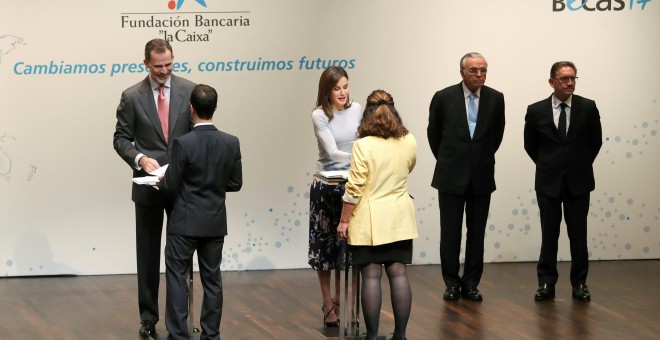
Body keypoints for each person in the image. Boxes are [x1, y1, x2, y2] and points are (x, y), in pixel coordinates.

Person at [113, 38, 196, 337]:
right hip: (147, 187)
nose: (164, 71)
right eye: (158, 66)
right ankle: (148, 318)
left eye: (169, 65)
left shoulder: (190, 90)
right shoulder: (131, 96)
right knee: (147, 255)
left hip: (181, 187)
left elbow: (197, 135)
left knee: (180, 255)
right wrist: (140, 158)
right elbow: (120, 138)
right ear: (146, 63)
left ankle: (180, 319)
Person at [159, 84, 243, 339]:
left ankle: (179, 335)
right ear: (215, 108)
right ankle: (210, 335)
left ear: (191, 109)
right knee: (212, 281)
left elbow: (171, 185)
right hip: (214, 222)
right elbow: (235, 184)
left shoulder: (183, 143)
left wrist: (161, 181)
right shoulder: (231, 142)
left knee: (177, 279)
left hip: (184, 222)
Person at [337, 90, 417, 340]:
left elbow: (354, 187)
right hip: (400, 216)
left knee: (371, 275)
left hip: (369, 220)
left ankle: (372, 336)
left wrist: (343, 220)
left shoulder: (362, 145)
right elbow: (409, 167)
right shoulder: (409, 140)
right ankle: (400, 335)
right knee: (398, 273)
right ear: (394, 111)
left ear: (366, 115)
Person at [427, 52, 505, 301]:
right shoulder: (443, 97)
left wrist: (478, 159)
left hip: (481, 175)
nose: (479, 75)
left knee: (477, 233)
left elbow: (497, 135)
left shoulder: (496, 98)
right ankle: (451, 283)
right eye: (473, 70)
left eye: (483, 70)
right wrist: (451, 160)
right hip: (450, 175)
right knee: (450, 233)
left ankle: (471, 283)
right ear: (462, 72)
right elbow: (434, 135)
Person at [524, 61, 602, 302]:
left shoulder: (588, 107)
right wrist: (551, 165)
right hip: (548, 182)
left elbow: (595, 142)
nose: (570, 83)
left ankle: (579, 283)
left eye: (573, 78)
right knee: (549, 235)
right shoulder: (536, 110)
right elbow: (530, 145)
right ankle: (546, 283)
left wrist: (576, 165)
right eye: (564, 79)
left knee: (579, 236)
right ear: (552, 82)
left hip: (579, 183)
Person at [308, 66, 362, 327]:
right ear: (327, 91)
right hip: (326, 186)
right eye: (336, 88)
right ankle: (328, 303)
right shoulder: (319, 115)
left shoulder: (358, 109)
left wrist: (363, 160)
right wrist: (363, 157)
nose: (342, 92)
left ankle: (343, 301)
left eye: (345, 86)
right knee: (324, 249)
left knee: (349, 249)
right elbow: (331, 152)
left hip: (352, 185)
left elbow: (364, 140)